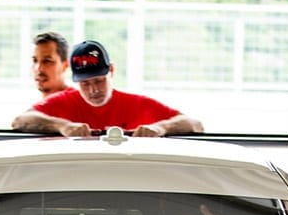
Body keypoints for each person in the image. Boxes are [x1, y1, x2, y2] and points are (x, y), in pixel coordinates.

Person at [11, 39, 204, 137]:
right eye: (85, 84)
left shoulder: (136, 104)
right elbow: (20, 121)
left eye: (99, 81)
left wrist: (160, 128)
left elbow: (195, 124)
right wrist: (63, 126)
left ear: (111, 71)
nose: (93, 89)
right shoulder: (63, 102)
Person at [30, 30, 71, 97]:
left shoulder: (78, 102)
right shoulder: (38, 104)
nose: (38, 68)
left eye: (47, 61)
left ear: (65, 65)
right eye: (35, 60)